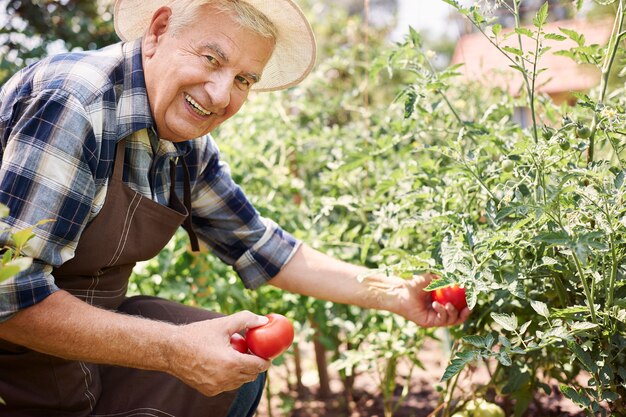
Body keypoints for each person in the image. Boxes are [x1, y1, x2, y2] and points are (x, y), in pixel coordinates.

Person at [0, 0, 471, 415]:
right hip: (15, 364)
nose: (221, 96)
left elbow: (262, 246)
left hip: (81, 352)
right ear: (159, 31)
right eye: (211, 58)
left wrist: (394, 293)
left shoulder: (183, 144)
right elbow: (8, 296)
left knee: (233, 374)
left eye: (244, 78)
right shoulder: (75, 104)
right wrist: (172, 350)